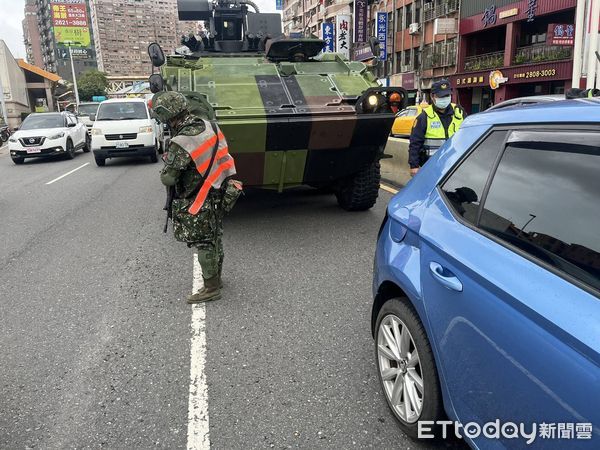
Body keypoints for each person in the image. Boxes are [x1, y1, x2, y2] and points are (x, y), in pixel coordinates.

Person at [153, 92, 242, 304]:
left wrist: (167, 165)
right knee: (215, 237)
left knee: (204, 243)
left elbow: (168, 178)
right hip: (219, 189)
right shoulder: (209, 126)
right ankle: (216, 280)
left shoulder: (183, 140)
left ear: (168, 116)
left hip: (198, 197)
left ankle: (211, 289)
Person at [408, 79, 466, 176]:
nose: (444, 98)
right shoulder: (425, 116)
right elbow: (415, 143)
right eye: (441, 96)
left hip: (455, 166)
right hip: (431, 167)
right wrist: (414, 166)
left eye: (447, 95)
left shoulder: (459, 112)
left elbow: (468, 137)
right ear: (432, 96)